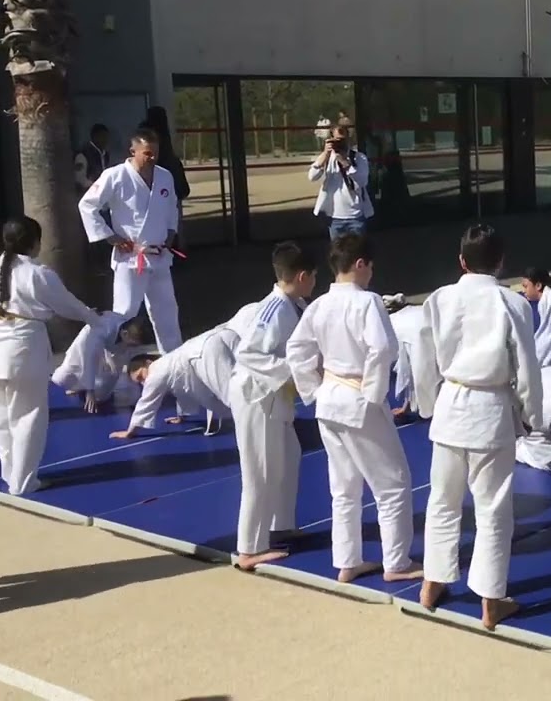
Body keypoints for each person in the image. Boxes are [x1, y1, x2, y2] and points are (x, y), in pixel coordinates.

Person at [412, 224, 543, 631]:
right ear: (501, 262)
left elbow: (423, 359)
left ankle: (432, 584)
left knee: (442, 502)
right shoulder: (513, 304)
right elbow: (527, 368)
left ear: (462, 261)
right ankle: (490, 601)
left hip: (451, 404)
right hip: (490, 409)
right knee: (492, 509)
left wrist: (429, 405)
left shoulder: (439, 299)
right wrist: (531, 415)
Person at [286, 234, 422, 584]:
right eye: (370, 266)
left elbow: (297, 350)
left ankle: (348, 560)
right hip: (357, 397)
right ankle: (396, 563)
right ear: (360, 264)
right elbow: (381, 349)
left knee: (344, 488)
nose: (371, 273)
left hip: (330, 399)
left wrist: (314, 390)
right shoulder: (367, 302)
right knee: (392, 484)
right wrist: (373, 396)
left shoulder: (318, 305)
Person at [0, 216, 101, 495]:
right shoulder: (38, 273)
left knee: (1, 418)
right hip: (21, 351)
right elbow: (68, 305)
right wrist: (94, 318)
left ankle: (11, 474)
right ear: (35, 242)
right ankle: (24, 482)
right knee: (28, 416)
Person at [229, 242, 318, 570]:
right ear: (303, 275)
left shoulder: (293, 304)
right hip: (257, 397)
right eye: (313, 277)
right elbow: (248, 354)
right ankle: (249, 548)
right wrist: (293, 374)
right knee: (260, 471)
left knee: (289, 457)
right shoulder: (275, 308)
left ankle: (280, 525)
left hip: (274, 396)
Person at [77, 128, 184, 356]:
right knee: (124, 315)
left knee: (167, 312)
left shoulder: (164, 175)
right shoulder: (115, 175)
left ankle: (173, 362)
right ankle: (113, 367)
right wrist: (110, 236)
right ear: (132, 151)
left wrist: (172, 231)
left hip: (159, 255)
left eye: (155, 153)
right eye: (147, 153)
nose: (152, 158)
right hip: (131, 257)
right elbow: (87, 205)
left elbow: (172, 207)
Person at [108, 325, 241, 439]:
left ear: (148, 363)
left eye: (141, 376)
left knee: (234, 397)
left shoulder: (156, 371)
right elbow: (183, 388)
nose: (144, 383)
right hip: (217, 338)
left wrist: (129, 432)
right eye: (140, 382)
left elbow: (146, 402)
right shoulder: (171, 363)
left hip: (206, 351)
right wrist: (181, 416)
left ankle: (255, 424)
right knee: (244, 379)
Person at [51, 313, 153, 412]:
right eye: (132, 344)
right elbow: (89, 358)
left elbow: (136, 360)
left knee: (101, 395)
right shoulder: (99, 330)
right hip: (86, 347)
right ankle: (80, 385)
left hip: (113, 349)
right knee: (61, 379)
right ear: (125, 334)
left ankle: (88, 385)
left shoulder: (129, 331)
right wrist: (90, 391)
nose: (133, 347)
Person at [309, 125, 374, 240]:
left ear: (348, 139)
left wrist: (346, 163)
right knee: (338, 254)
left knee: (357, 252)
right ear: (331, 140)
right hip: (334, 217)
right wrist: (325, 154)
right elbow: (312, 177)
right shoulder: (327, 158)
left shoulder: (359, 158)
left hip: (355, 215)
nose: (340, 144)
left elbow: (363, 181)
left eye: (342, 140)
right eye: (336, 140)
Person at [385, 297, 429, 419]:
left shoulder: (393, 323)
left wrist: (406, 406)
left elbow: (406, 370)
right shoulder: (417, 311)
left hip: (422, 345)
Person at [73, 123, 111, 194]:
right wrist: (96, 186)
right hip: (88, 194)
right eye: (102, 136)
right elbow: (80, 179)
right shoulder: (83, 155)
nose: (105, 140)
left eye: (106, 137)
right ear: (94, 137)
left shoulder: (105, 155)